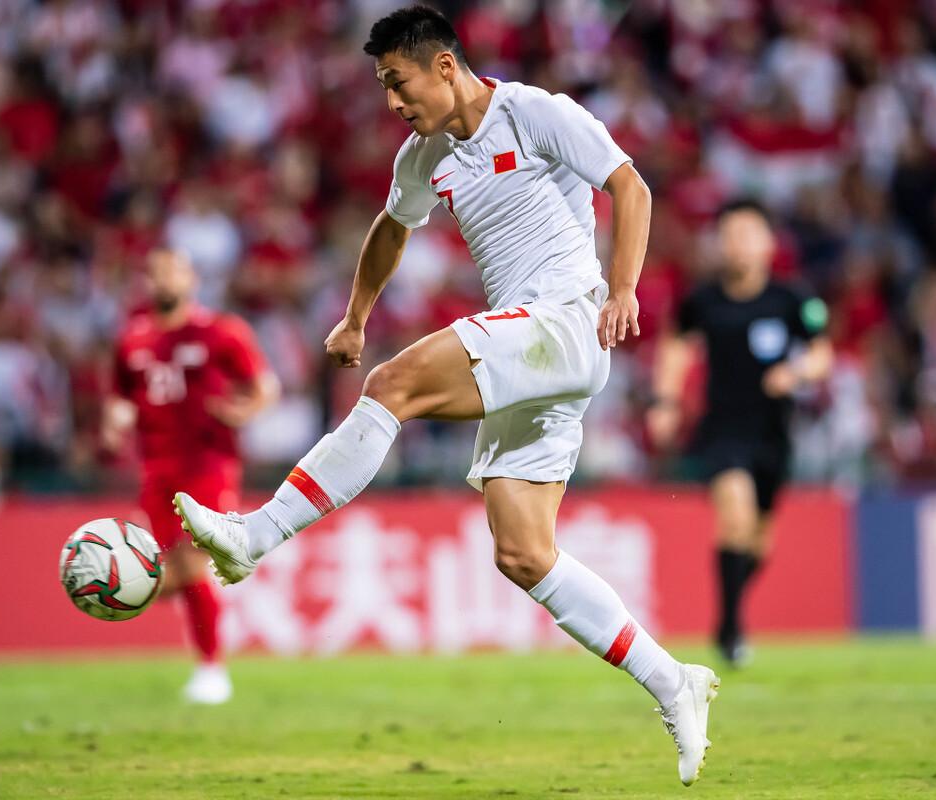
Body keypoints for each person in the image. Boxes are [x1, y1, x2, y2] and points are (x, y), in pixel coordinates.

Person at [174, 5, 720, 786]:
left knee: (391, 386)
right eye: (382, 87)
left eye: (398, 83)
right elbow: (391, 228)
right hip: (534, 353)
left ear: (442, 66)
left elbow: (629, 186)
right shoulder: (424, 154)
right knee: (523, 553)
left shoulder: (533, 112)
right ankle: (673, 682)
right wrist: (356, 316)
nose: (392, 101)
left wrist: (624, 288)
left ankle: (254, 535)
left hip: (564, 321)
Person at [648, 199, 833, 666]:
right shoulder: (702, 301)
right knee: (735, 514)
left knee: (758, 541)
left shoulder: (793, 300)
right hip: (723, 430)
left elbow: (821, 354)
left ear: (769, 243)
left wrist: (796, 372)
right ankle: (732, 632)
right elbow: (677, 347)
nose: (738, 245)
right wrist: (666, 401)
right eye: (729, 235)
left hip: (773, 433)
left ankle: (727, 616)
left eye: (748, 234)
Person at [103, 248, 277, 704]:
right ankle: (129, 591)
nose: (164, 280)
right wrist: (115, 421)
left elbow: (265, 386)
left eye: (172, 271)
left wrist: (243, 411)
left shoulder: (221, 332)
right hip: (155, 469)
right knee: (176, 571)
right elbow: (120, 396)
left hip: (208, 464)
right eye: (155, 273)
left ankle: (212, 668)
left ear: (191, 279)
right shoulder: (132, 340)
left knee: (192, 563)